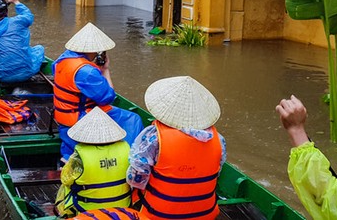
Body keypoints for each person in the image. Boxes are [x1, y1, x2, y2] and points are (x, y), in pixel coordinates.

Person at [127, 76, 226, 220]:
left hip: (159, 215)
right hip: (204, 214)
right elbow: (217, 172)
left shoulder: (154, 138)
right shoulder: (218, 140)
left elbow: (136, 178)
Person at [53, 22, 144, 162]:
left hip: (63, 117)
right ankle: (129, 159)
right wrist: (105, 70)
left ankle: (67, 155)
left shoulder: (62, 60)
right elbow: (108, 97)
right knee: (133, 119)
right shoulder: (87, 72)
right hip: (80, 118)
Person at [55, 107, 133, 217]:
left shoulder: (80, 155)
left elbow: (65, 179)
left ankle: (66, 215)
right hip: (123, 206)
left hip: (87, 209)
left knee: (66, 187)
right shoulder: (126, 148)